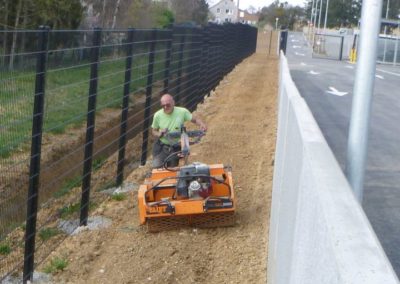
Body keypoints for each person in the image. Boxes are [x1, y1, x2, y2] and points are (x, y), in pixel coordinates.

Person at [151, 94, 207, 168]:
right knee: (157, 167)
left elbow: (195, 119)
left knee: (172, 169)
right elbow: (153, 131)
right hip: (162, 147)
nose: (165, 107)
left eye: (168, 105)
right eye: (163, 105)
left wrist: (201, 124)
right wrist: (159, 134)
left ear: (173, 103)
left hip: (175, 147)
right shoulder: (157, 115)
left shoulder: (182, 112)